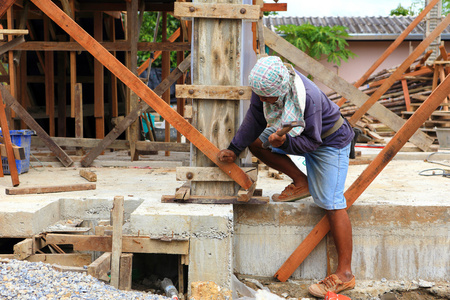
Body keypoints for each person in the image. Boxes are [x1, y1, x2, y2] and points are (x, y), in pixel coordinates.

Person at [217, 56, 355, 297]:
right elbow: (256, 118)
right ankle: (302, 182)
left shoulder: (308, 98)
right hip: (302, 137)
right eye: (258, 94)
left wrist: (285, 141)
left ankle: (345, 275)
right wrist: (234, 148)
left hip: (330, 141)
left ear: (280, 91)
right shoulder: (264, 88)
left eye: (266, 97)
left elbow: (313, 142)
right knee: (256, 143)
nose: (261, 99)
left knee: (331, 202)